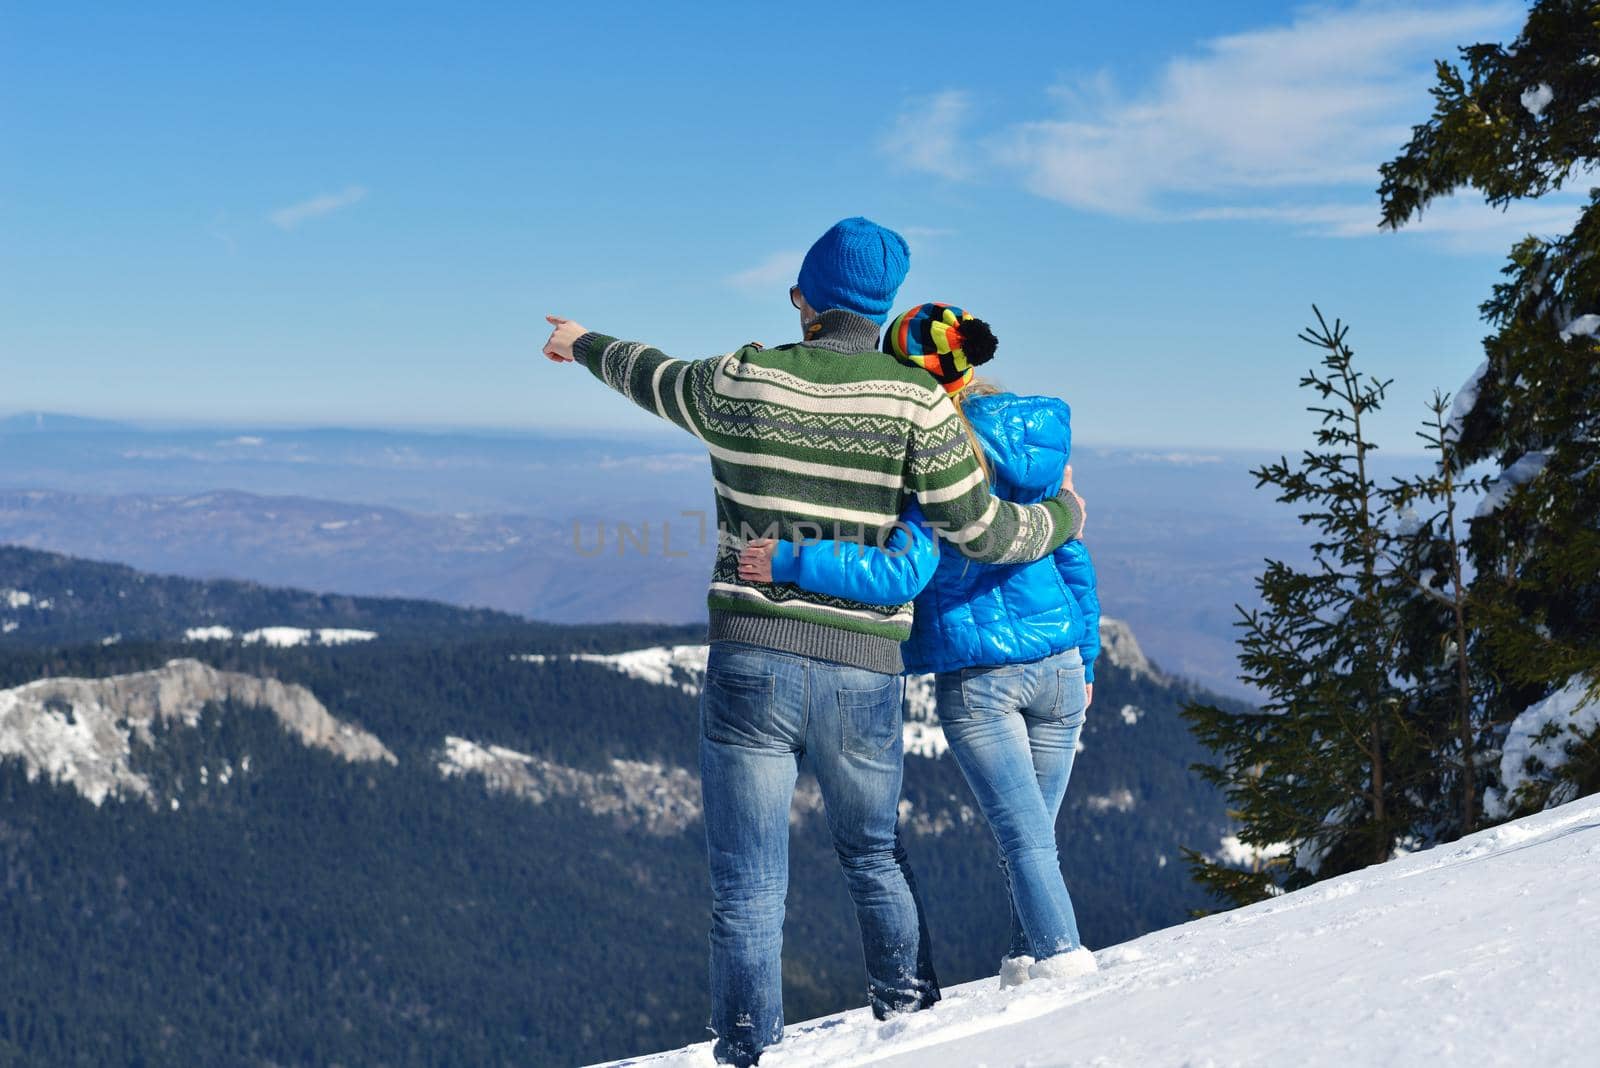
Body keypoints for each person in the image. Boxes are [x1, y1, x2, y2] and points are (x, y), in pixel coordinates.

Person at [540, 219, 1087, 1067]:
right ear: (883, 308)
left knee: (747, 884)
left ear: (805, 301)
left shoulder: (744, 378)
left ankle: (749, 1051)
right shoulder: (913, 403)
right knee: (873, 855)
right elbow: (979, 529)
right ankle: (909, 1024)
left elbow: (651, 374)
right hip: (863, 672)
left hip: (750, 660)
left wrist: (579, 344)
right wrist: (1063, 517)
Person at [738, 301, 1101, 988]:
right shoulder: (1038, 438)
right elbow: (1073, 552)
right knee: (1036, 845)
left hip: (981, 675)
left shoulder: (932, 455)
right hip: (1058, 666)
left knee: (1025, 842)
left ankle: (1065, 979)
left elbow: (901, 570)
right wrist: (1086, 653)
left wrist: (790, 561)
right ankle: (1029, 973)